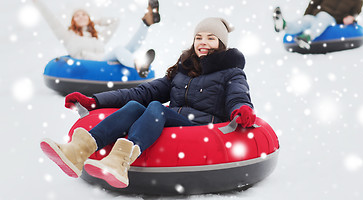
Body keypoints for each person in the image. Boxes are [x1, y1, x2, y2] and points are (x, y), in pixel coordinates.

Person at [40, 17, 257, 189]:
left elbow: (238, 96)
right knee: (136, 106)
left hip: (202, 128)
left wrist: (242, 109)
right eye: (199, 37)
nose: (203, 42)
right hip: (175, 120)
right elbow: (145, 91)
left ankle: (120, 161)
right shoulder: (184, 70)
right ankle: (78, 150)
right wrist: (95, 101)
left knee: (155, 108)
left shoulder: (231, 72)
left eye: (210, 38)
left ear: (221, 43)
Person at [24, 0, 160, 77]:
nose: (81, 16)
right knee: (119, 49)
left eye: (84, 14)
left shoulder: (96, 36)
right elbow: (49, 16)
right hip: (92, 66)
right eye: (77, 15)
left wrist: (96, 21)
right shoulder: (67, 35)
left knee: (128, 48)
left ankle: (146, 22)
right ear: (73, 21)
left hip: (105, 62)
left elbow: (115, 22)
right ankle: (138, 65)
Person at [273, 0, 363, 49]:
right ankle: (284, 25)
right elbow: (313, 3)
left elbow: (356, 11)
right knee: (305, 21)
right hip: (316, 15)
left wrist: (351, 17)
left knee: (324, 18)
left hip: (333, 19)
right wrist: (307, 15)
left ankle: (307, 37)